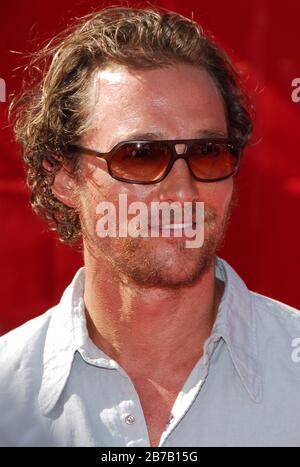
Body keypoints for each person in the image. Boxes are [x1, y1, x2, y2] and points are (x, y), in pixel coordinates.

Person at [1, 5, 299, 448]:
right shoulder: (9, 393)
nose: (183, 192)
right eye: (139, 154)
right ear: (63, 176)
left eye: (207, 152)